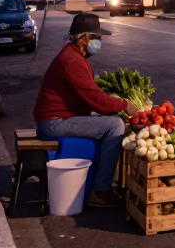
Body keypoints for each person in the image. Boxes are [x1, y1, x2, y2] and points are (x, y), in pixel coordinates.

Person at [34, 13, 141, 208]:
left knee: (111, 120)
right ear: (83, 38)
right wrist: (125, 105)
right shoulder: (72, 61)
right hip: (54, 123)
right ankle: (100, 190)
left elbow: (92, 99)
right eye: (97, 38)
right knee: (115, 125)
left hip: (61, 117)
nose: (100, 42)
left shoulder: (74, 56)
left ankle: (101, 178)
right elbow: (95, 99)